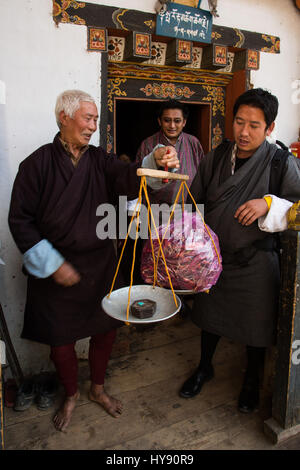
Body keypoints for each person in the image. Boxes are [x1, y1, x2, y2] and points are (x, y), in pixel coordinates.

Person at [8, 90, 179, 432]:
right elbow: (20, 219)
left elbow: (129, 175)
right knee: (60, 342)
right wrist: (51, 263)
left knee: (105, 332)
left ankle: (97, 389)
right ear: (63, 118)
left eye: (96, 120)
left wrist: (156, 159)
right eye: (87, 118)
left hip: (100, 264)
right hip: (55, 269)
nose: (93, 126)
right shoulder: (36, 164)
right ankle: (70, 393)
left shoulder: (101, 160)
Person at [177, 88, 300, 412]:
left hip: (256, 262)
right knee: (208, 320)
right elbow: (195, 202)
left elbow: (299, 207)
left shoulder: (280, 163)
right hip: (214, 261)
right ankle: (205, 367)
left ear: (270, 128)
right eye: (239, 122)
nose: (244, 132)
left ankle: (251, 381)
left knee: (256, 328)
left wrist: (269, 204)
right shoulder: (216, 157)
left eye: (255, 125)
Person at [136, 99, 204, 204]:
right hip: (156, 211)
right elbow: (138, 180)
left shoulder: (193, 143)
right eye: (167, 120)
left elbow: (202, 176)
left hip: (187, 210)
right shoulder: (147, 144)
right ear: (160, 121)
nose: (172, 126)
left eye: (177, 121)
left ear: (184, 122)